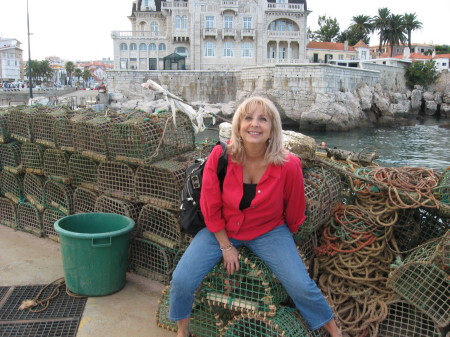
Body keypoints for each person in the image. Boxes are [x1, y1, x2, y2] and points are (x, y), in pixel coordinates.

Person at [169, 96, 342, 337]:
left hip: (268, 230)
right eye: (248, 118)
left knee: (301, 286)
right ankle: (182, 331)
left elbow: (294, 210)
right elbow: (210, 206)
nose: (255, 124)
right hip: (222, 228)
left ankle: (334, 332)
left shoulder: (289, 164)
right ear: (239, 125)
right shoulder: (220, 156)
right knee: (181, 279)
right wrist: (225, 246)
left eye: (263, 119)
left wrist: (284, 241)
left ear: (272, 128)